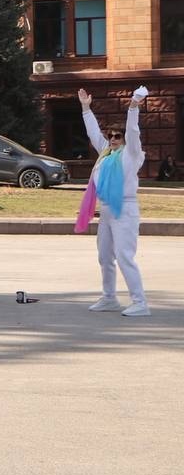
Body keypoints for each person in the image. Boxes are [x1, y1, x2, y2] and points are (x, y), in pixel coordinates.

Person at [79, 86, 151, 317]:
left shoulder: (132, 154)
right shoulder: (105, 154)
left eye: (117, 136)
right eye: (110, 136)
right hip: (107, 210)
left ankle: (140, 302)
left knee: (124, 256)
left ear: (124, 139)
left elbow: (133, 132)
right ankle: (109, 297)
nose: (112, 139)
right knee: (104, 256)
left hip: (126, 208)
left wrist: (133, 108)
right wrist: (86, 108)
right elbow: (93, 134)